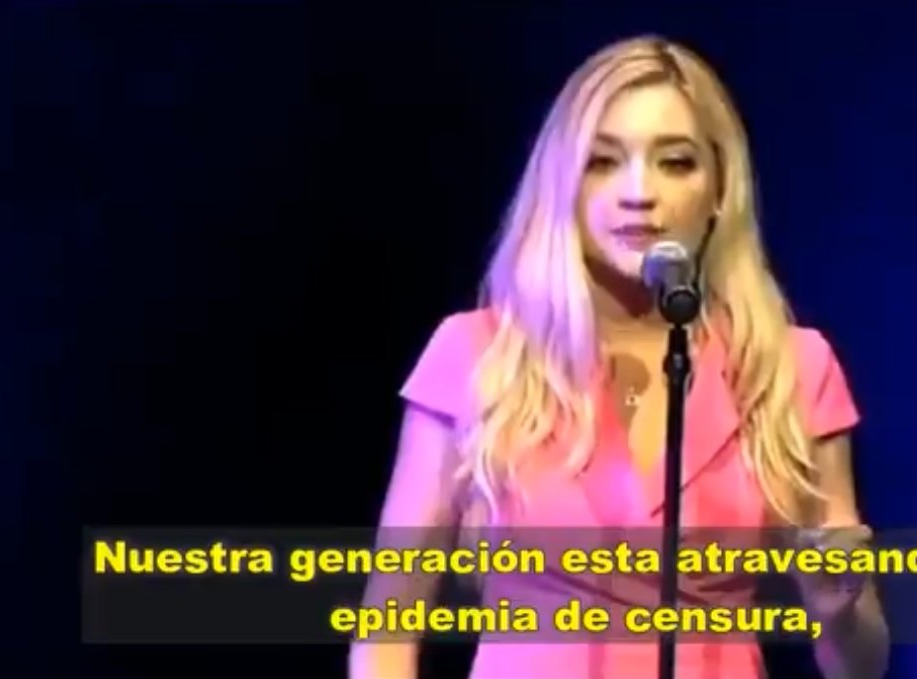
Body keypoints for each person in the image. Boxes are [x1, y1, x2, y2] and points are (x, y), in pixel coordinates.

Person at [349, 35, 889, 679]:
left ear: (720, 187)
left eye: (676, 163)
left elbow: (860, 664)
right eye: (602, 162)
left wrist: (838, 612)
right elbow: (385, 632)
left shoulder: (791, 367)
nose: (639, 192)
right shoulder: (477, 355)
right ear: (563, 185)